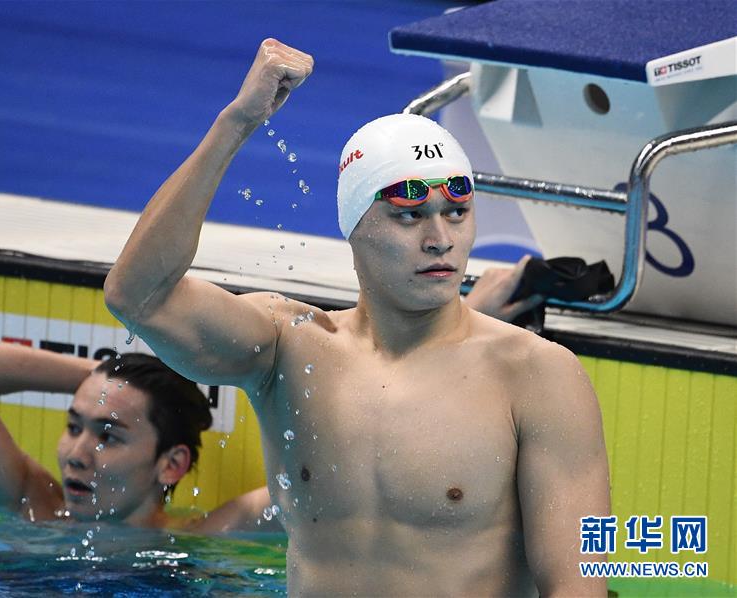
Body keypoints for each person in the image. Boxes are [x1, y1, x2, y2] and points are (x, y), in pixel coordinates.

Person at [103, 39, 610, 596]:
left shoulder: (539, 375)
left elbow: (579, 582)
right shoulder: (289, 348)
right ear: (354, 225)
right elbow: (139, 296)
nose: (441, 239)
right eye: (409, 216)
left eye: (457, 213)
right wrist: (237, 122)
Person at [0, 335, 273, 532]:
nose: (76, 455)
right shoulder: (34, 509)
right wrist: (106, 377)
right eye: (73, 427)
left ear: (171, 464)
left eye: (108, 436)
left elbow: (318, 485)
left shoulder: (205, 538)